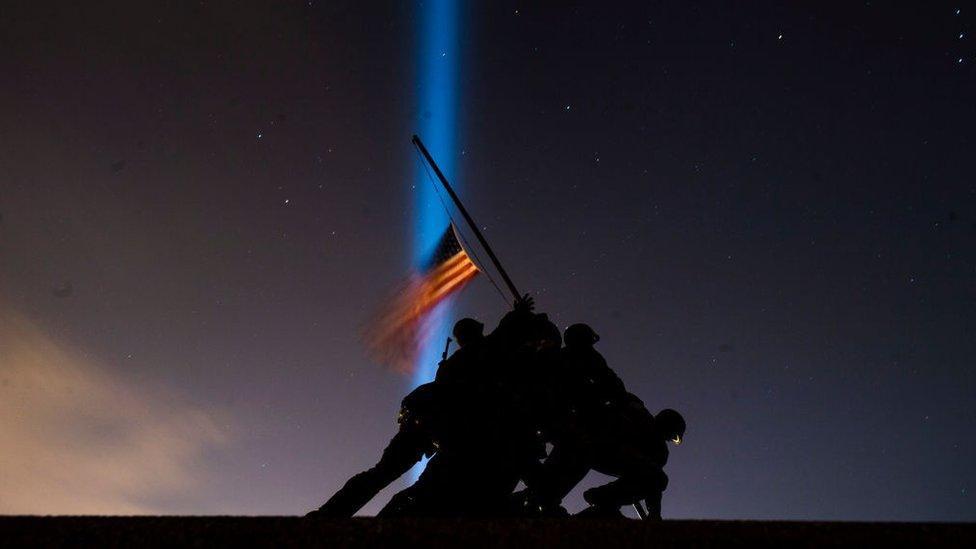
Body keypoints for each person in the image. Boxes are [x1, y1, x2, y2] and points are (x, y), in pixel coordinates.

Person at [306, 383, 440, 517]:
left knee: (381, 476)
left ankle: (330, 513)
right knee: (381, 476)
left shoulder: (433, 389)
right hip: (415, 438)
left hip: (417, 439)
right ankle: (330, 513)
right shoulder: (437, 391)